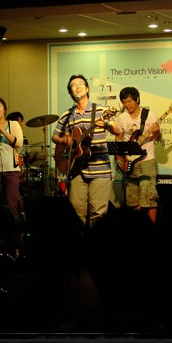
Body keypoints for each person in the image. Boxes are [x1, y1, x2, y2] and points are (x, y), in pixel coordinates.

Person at [51, 74, 121, 230]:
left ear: (87, 88)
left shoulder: (101, 110)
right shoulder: (67, 115)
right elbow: (54, 136)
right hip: (76, 169)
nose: (77, 86)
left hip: (100, 169)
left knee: (98, 213)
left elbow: (117, 130)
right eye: (73, 85)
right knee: (77, 214)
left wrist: (107, 124)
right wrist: (64, 140)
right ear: (70, 92)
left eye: (80, 83)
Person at [114, 87, 161, 224]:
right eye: (124, 102)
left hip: (146, 161)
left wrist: (156, 132)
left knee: (149, 199)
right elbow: (119, 138)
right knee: (132, 200)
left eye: (129, 101)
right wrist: (120, 156)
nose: (127, 105)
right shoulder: (121, 118)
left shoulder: (149, 115)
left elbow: (158, 138)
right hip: (129, 163)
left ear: (137, 99)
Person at [0, 97, 25, 224]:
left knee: (11, 204)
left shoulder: (13, 124)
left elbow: (19, 143)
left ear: (5, 110)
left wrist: (2, 130)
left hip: (11, 170)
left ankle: (14, 231)